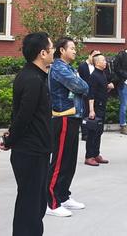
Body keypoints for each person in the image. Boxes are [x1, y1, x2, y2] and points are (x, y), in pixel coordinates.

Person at [0, 32, 54, 236]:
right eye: (51, 48)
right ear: (42, 53)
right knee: (30, 206)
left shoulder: (35, 76)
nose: (53, 52)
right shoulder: (32, 79)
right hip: (31, 151)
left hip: (36, 149)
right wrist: (10, 140)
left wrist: (10, 137)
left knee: (36, 203)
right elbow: (23, 116)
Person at [46, 37, 90, 217]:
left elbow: (82, 86)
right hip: (63, 117)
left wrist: (82, 85)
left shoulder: (69, 68)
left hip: (73, 117)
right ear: (61, 50)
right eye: (71, 48)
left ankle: (63, 196)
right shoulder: (59, 68)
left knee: (69, 160)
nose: (75, 51)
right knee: (59, 160)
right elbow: (81, 86)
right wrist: (83, 84)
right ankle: (51, 202)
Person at [84, 54, 114, 166]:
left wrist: (108, 87)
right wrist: (91, 110)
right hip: (96, 107)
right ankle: (89, 156)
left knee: (99, 131)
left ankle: (96, 154)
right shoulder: (94, 76)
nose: (105, 62)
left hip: (102, 106)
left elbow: (101, 90)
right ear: (97, 63)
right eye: (103, 60)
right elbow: (91, 94)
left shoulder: (103, 74)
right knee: (92, 132)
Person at [77, 50, 101, 141]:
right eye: (94, 55)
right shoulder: (82, 66)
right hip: (85, 93)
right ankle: (85, 133)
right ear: (89, 55)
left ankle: (93, 131)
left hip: (95, 93)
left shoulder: (97, 66)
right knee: (85, 113)